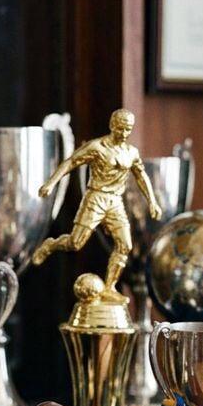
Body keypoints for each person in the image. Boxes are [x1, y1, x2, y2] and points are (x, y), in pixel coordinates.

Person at [32, 109, 161, 302]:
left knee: (125, 245)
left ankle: (110, 287)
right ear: (112, 126)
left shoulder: (131, 152)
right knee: (75, 243)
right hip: (96, 198)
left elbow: (141, 176)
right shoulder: (97, 147)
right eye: (120, 129)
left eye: (128, 130)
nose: (124, 134)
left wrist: (152, 201)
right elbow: (71, 162)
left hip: (115, 202)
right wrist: (51, 183)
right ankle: (51, 245)